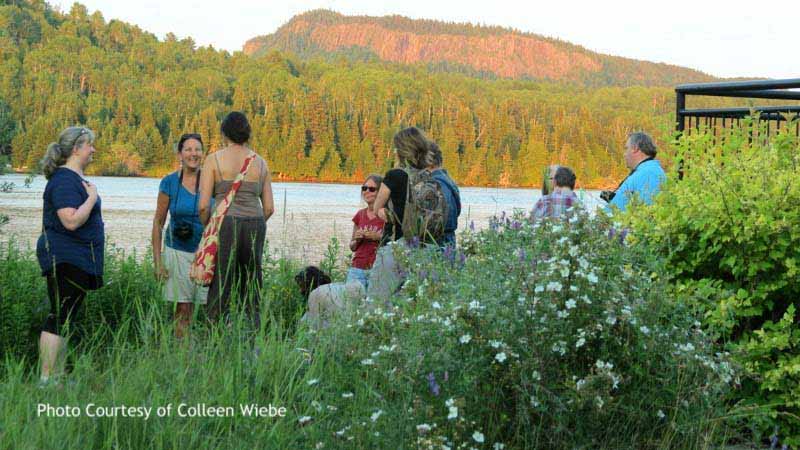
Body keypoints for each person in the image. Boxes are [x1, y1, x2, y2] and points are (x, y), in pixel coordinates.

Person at [36, 126, 104, 385]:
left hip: (76, 257)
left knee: (66, 315)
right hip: (64, 256)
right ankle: (47, 379)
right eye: (89, 145)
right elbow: (71, 220)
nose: (93, 150)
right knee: (60, 313)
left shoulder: (72, 179)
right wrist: (92, 197)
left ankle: (58, 375)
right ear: (76, 149)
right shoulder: (64, 180)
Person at [198, 112, 274, 330]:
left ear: (224, 133)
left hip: (225, 223)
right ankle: (252, 333)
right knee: (251, 281)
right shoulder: (260, 162)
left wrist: (209, 227)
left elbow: (203, 205)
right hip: (255, 223)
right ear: (247, 133)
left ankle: (215, 337)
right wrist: (254, 219)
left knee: (221, 282)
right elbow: (269, 207)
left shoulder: (214, 159)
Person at [369, 127, 437, 301]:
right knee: (411, 305)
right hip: (424, 248)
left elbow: (376, 209)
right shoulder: (429, 177)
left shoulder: (395, 175)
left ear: (400, 151)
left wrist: (384, 210)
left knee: (377, 303)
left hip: (395, 247)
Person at [152, 133, 210, 338]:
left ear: (203, 153)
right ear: (180, 154)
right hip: (177, 251)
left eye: (197, 149)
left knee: (210, 309)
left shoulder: (212, 181)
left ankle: (208, 357)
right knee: (183, 309)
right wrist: (158, 262)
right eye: (188, 149)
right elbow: (158, 222)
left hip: (206, 255)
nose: (193, 154)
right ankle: (181, 355)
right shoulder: (169, 182)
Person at [605, 132, 666, 212]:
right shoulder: (645, 171)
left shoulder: (649, 174)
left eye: (626, 148)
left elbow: (646, 213)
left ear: (635, 148)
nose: (624, 154)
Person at [346, 175, 385, 289]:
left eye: (372, 189)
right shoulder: (360, 215)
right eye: (364, 188)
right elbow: (352, 247)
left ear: (381, 193)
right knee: (351, 303)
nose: (367, 191)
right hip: (357, 269)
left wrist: (377, 237)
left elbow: (394, 243)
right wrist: (357, 239)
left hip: (378, 269)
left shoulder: (386, 215)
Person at [427, 143, 461, 248]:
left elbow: (440, 220)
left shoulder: (437, 184)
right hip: (448, 240)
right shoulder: (448, 180)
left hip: (438, 242)